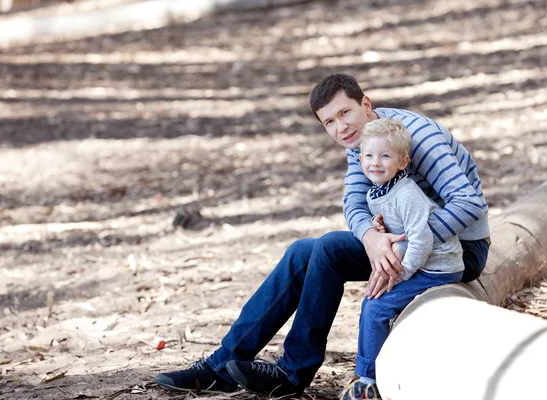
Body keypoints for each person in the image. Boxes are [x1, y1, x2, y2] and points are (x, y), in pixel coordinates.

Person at [154, 73, 490, 399]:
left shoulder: (415, 136)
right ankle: (221, 368)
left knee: (329, 248)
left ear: (366, 104)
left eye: (345, 113)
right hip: (404, 242)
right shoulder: (363, 142)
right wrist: (372, 238)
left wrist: (404, 247)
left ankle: (291, 373)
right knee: (303, 252)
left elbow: (468, 202)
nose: (340, 127)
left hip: (459, 248)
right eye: (329, 122)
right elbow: (354, 204)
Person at [340, 118, 465, 400]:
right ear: (360, 159)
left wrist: (400, 274)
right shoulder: (378, 189)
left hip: (437, 266)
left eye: (385, 156)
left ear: (403, 161)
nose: (375, 162)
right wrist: (377, 225)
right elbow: (399, 226)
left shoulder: (407, 193)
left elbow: (422, 239)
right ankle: (369, 369)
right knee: (372, 300)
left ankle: (368, 381)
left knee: (376, 305)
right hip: (418, 260)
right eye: (369, 156)